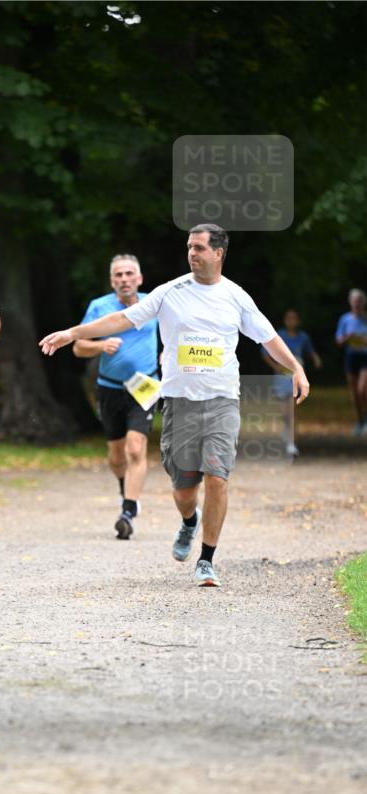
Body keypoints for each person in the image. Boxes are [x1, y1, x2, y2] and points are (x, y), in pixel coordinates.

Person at [40, 223, 310, 588]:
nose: (192, 253)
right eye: (189, 247)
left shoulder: (236, 297)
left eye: (199, 248)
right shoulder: (170, 292)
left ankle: (207, 559)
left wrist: (296, 368)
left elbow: (268, 337)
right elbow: (122, 319)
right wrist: (73, 332)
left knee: (217, 477)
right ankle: (188, 521)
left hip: (222, 400)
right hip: (180, 402)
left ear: (218, 253)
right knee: (184, 491)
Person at [73, 254, 158, 539]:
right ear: (112, 281)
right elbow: (78, 347)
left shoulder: (153, 304)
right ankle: (125, 490)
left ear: (139, 278)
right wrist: (101, 346)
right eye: (119, 275)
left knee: (136, 447)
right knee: (117, 455)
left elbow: (175, 335)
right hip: (109, 388)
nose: (124, 279)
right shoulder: (99, 307)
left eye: (129, 273)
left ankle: (128, 512)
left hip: (145, 386)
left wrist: (168, 357)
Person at [262, 309, 321, 458]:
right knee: (284, 413)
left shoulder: (303, 337)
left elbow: (311, 351)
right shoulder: (279, 335)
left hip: (295, 378)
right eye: (288, 318)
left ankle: (291, 444)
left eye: (294, 318)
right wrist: (275, 366)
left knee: (292, 411)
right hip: (281, 378)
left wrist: (316, 359)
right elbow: (265, 352)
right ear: (285, 320)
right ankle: (286, 432)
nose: (291, 321)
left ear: (298, 321)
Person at [335, 288, 367, 435]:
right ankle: (360, 421)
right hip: (351, 357)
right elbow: (338, 341)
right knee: (354, 392)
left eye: (359, 301)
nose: (357, 304)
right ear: (350, 303)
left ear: (363, 303)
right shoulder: (345, 319)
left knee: (362, 389)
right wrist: (348, 337)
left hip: (365, 357)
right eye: (355, 301)